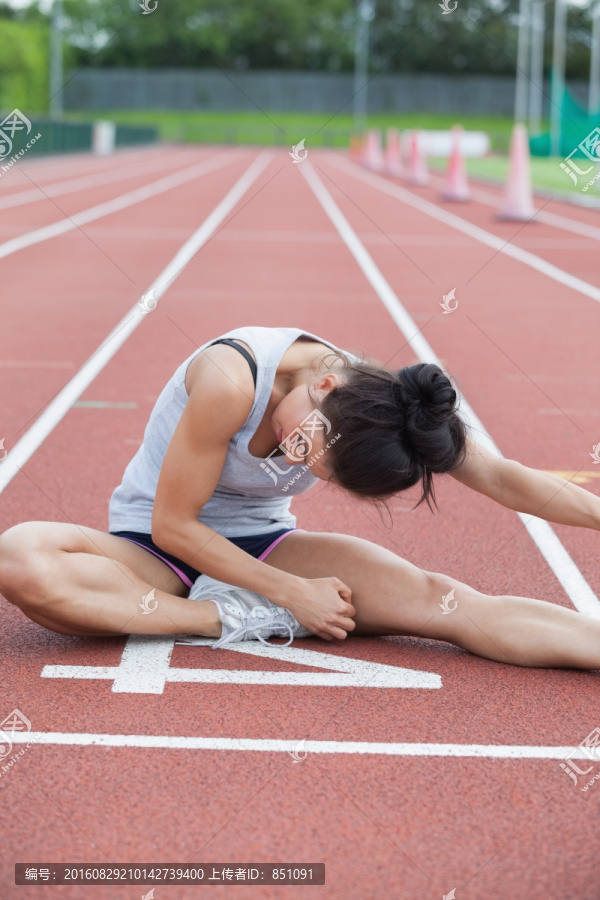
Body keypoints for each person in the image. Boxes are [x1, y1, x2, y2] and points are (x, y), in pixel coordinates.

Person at [1, 325, 599, 670]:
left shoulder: (389, 413)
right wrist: (291, 596)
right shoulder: (231, 378)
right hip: (156, 552)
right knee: (20, 559)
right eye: (309, 442)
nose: (298, 457)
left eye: (321, 468)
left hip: (266, 543)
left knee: (445, 601)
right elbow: (175, 526)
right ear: (324, 384)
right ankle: (222, 617)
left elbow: (503, 478)